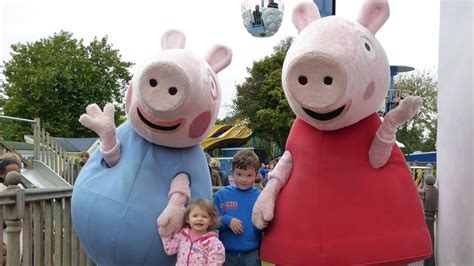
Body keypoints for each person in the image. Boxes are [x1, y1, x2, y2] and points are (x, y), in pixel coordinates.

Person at [213, 150, 265, 266]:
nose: (244, 179)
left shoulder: (261, 196)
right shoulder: (222, 195)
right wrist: (227, 220)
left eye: (249, 175)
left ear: (256, 175)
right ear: (232, 172)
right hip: (227, 254)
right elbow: (212, 221)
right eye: (239, 174)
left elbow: (266, 224)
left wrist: (264, 224)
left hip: (252, 254)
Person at [160, 199, 225, 265]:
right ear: (188, 219)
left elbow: (215, 263)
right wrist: (165, 231)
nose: (199, 219)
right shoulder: (182, 235)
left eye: (204, 216)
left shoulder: (214, 243)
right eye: (195, 216)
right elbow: (170, 250)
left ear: (211, 221)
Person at [0, 153, 22, 266]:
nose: (14, 175)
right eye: (10, 173)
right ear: (2, 174)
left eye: (17, 173)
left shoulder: (21, 191)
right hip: (6, 237)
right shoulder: (2, 193)